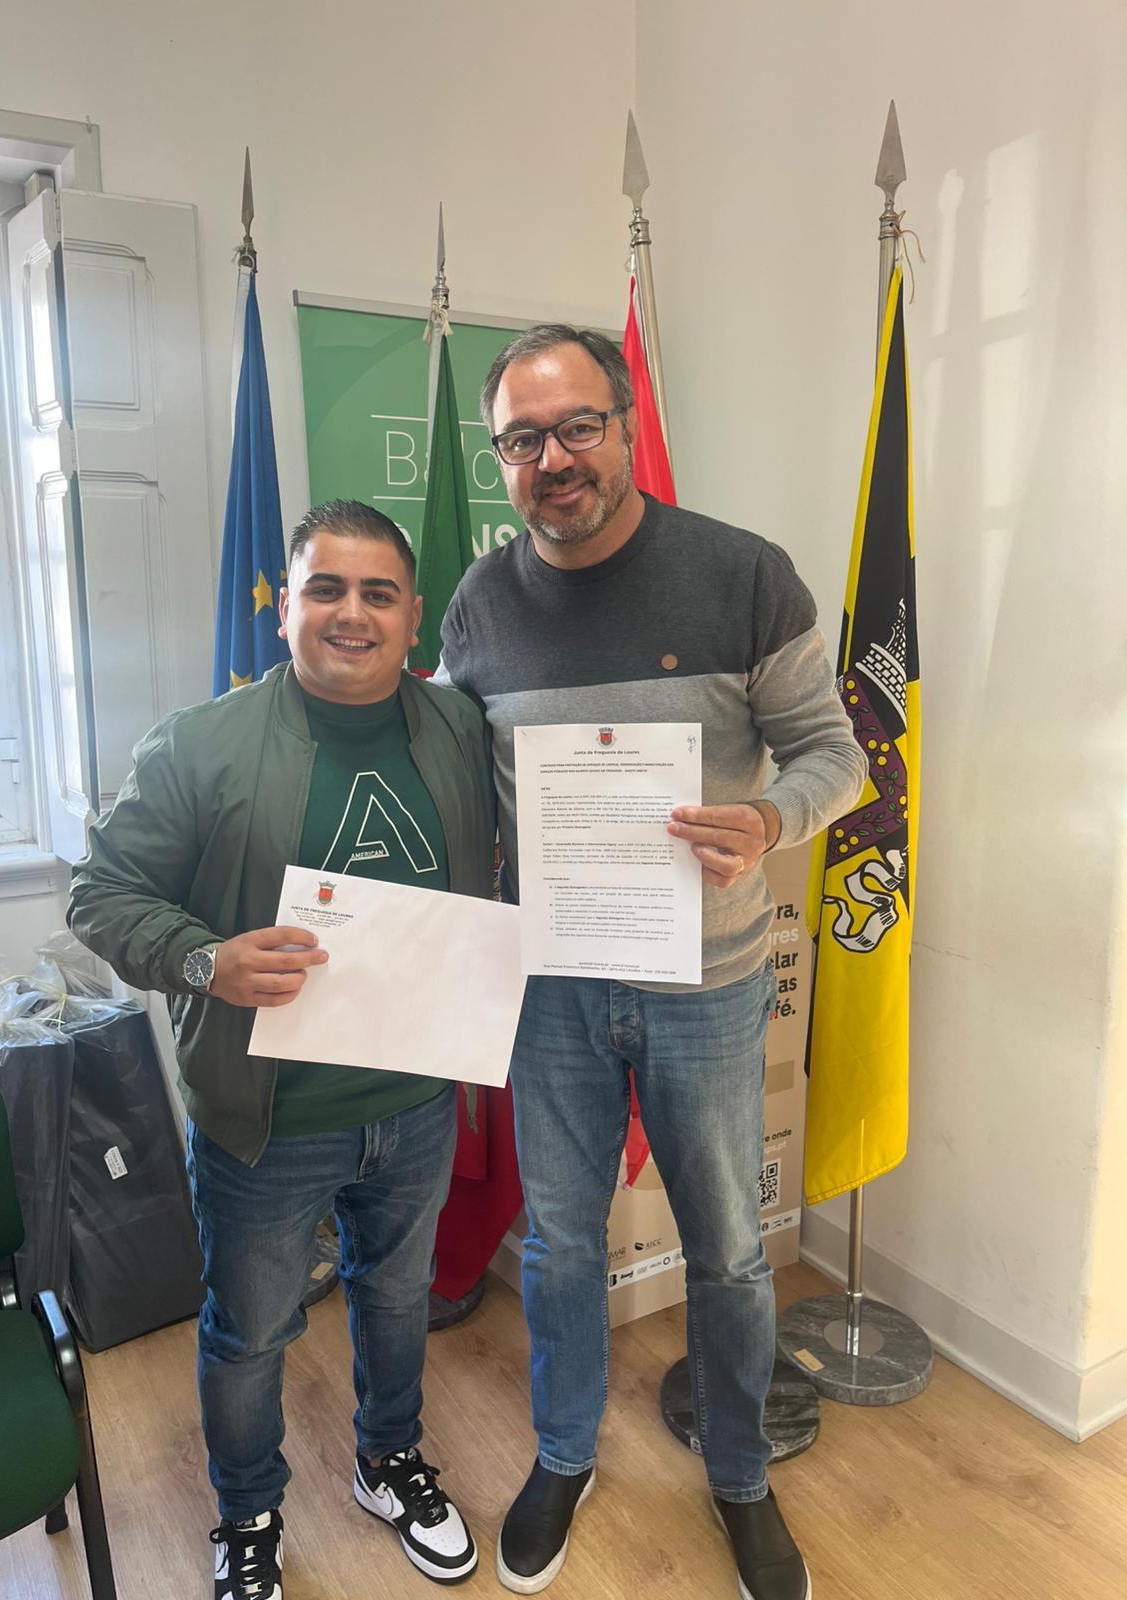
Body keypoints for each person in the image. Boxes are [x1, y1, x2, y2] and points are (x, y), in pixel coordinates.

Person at [438, 327, 867, 1600]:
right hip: (552, 993)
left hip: (709, 989)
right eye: (523, 439)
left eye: (578, 426)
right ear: (501, 457)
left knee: (729, 1250)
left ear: (625, 426)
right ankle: (564, 1455)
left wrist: (769, 820)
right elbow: (453, 772)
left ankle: (740, 1473)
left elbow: (834, 755)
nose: (554, 458)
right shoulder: (478, 604)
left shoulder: (743, 576)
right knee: (561, 1246)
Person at [70, 501, 494, 1599]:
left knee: (396, 1300)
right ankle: (249, 1510)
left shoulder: (459, 728)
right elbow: (99, 893)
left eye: (378, 594)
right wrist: (204, 958)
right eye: (326, 588)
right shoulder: (199, 744)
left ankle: (388, 1462)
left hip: (415, 1103)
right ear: (285, 607)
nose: (352, 614)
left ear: (413, 618)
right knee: (251, 1333)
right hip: (266, 1119)